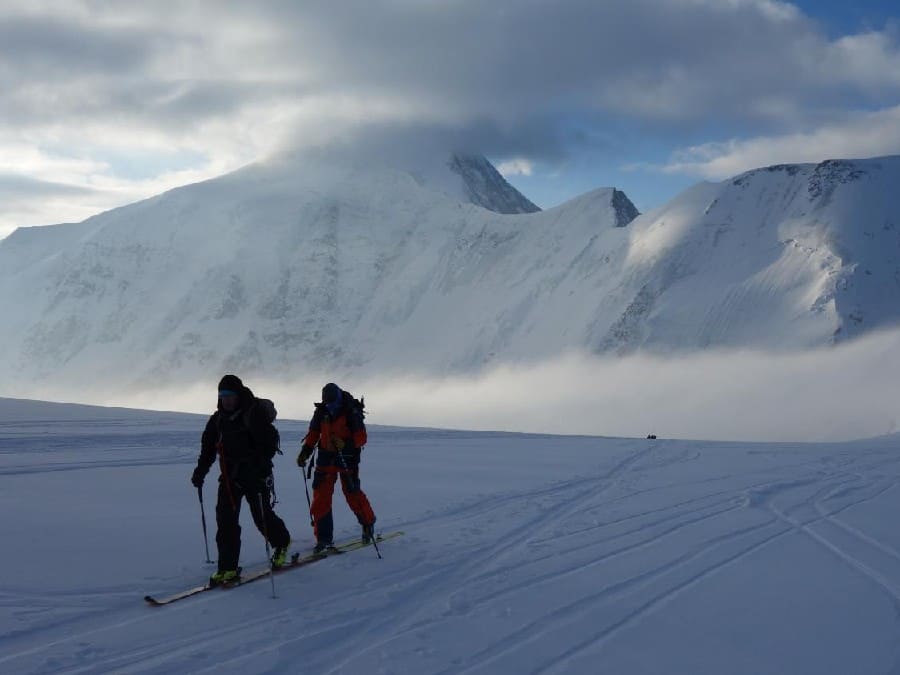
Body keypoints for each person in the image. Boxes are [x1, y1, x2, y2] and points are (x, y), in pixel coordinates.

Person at [191, 374, 291, 585]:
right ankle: (227, 568)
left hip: (255, 475)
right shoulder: (217, 420)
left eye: (230, 395)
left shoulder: (252, 414)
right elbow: (208, 450)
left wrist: (260, 463)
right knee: (225, 520)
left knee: (261, 517)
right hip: (230, 478)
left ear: (238, 395)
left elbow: (270, 444)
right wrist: (200, 472)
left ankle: (282, 544)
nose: (226, 399)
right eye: (222, 395)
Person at [297, 383, 376, 553]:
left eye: (333, 403)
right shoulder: (321, 411)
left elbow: (361, 438)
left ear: (339, 399)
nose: (330, 407)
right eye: (327, 403)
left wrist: (345, 445)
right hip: (325, 458)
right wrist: (305, 452)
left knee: (352, 494)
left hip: (347, 459)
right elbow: (313, 433)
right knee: (321, 497)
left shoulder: (351, 411)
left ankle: (368, 524)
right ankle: (324, 539)